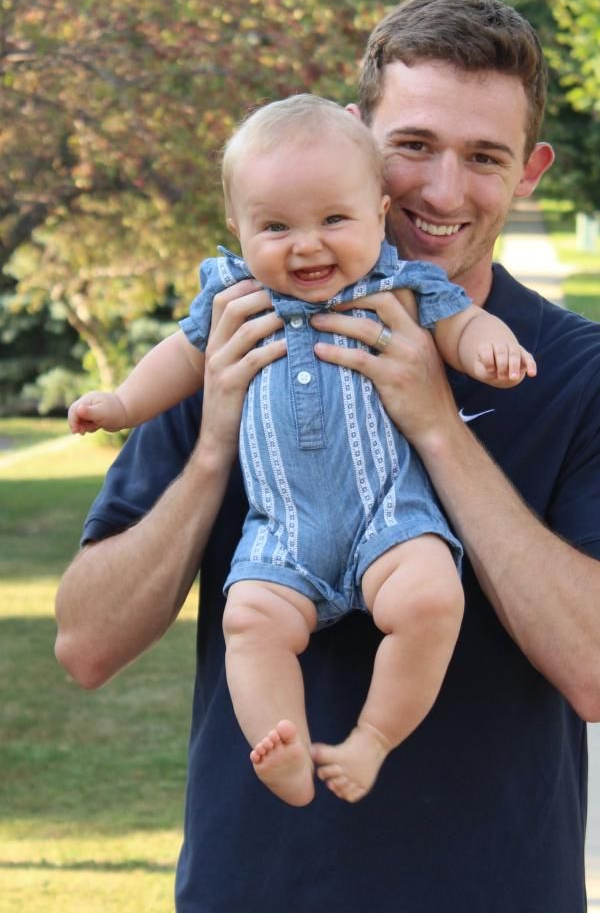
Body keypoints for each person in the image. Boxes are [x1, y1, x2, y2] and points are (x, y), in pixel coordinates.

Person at [55, 0, 600, 912]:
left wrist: (434, 424)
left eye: (484, 157)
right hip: (254, 889)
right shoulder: (240, 335)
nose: (441, 191)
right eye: (414, 147)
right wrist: (212, 448)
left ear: (529, 171)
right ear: (358, 141)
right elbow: (85, 645)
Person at [66, 94, 537, 806]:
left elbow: (460, 325)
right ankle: (283, 750)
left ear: (379, 210)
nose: (307, 245)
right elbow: (180, 355)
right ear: (237, 226)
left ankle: (371, 738)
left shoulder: (402, 285)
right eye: (276, 226)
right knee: (248, 621)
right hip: (283, 534)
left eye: (333, 220)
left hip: (391, 520)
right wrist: (124, 404)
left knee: (432, 599)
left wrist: (488, 346)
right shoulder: (235, 300)